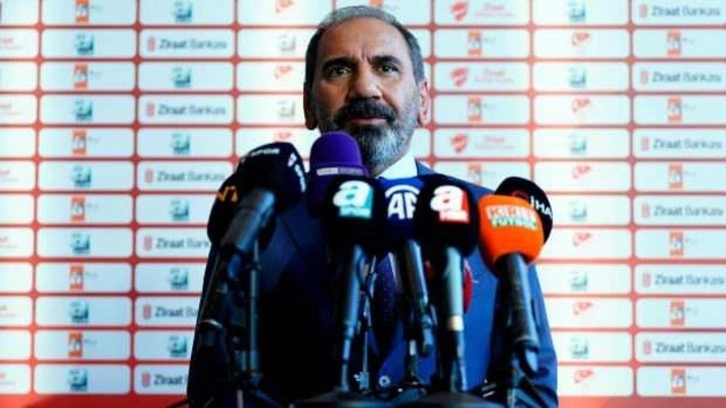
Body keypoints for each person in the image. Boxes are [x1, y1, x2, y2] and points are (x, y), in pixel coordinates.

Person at [187, 5, 557, 407]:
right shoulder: (260, 215)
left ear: (423, 100)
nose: (365, 88)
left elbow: (533, 394)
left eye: (386, 67)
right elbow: (213, 390)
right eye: (339, 70)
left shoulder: (488, 214)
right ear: (308, 104)